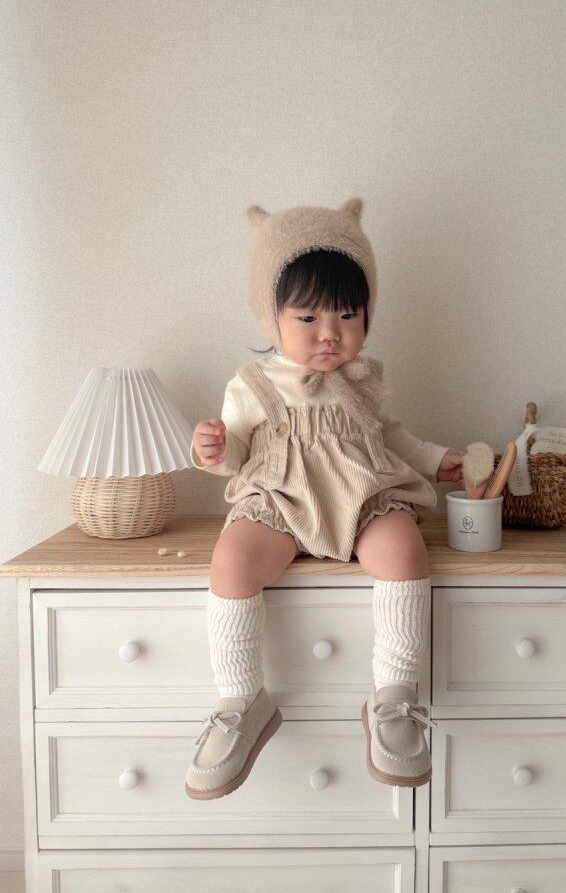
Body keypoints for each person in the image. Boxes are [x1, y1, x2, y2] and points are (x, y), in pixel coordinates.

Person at [184, 197, 466, 801]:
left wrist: (438, 460)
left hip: (360, 495)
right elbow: (237, 447)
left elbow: (390, 437)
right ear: (272, 317)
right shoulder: (254, 383)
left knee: (404, 549)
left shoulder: (363, 379)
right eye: (308, 316)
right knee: (231, 559)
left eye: (347, 315)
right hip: (280, 500)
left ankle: (393, 696)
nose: (330, 333)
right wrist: (215, 448)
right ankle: (241, 699)